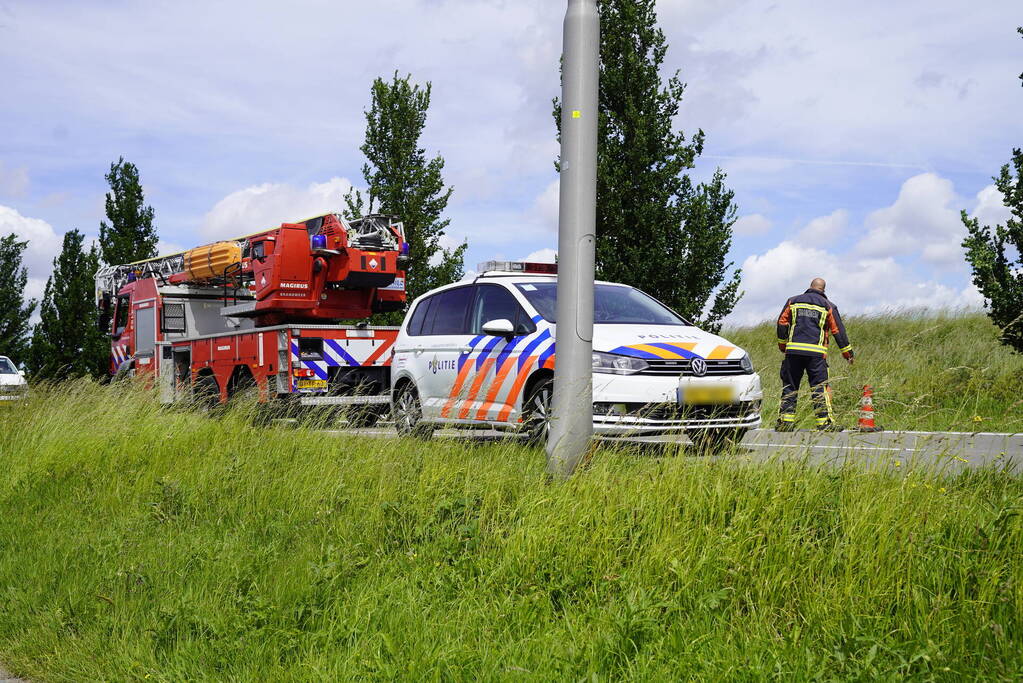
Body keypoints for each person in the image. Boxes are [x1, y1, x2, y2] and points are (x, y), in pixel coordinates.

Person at [774, 278, 853, 431]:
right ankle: (824, 423)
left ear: (810, 286)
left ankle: (785, 422)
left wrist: (783, 345)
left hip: (793, 352)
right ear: (823, 290)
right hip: (816, 355)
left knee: (790, 386)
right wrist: (847, 353)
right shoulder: (828, 306)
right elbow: (838, 331)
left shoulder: (793, 301)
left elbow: (782, 323)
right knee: (819, 388)